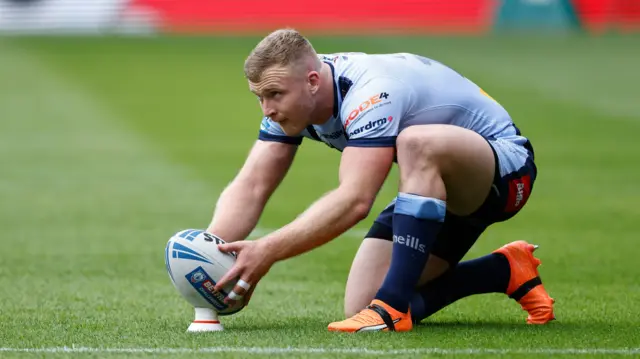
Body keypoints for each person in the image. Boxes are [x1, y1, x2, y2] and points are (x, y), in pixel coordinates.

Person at [209, 28, 555, 333]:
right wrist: (211, 252)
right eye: (260, 97)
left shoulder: (371, 92)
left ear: (313, 81)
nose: (266, 108)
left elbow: (356, 200)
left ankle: (391, 309)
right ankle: (504, 270)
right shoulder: (294, 91)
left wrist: (266, 251)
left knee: (415, 143)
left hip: (506, 173)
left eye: (274, 95)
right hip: (433, 189)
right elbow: (252, 184)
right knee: (360, 304)